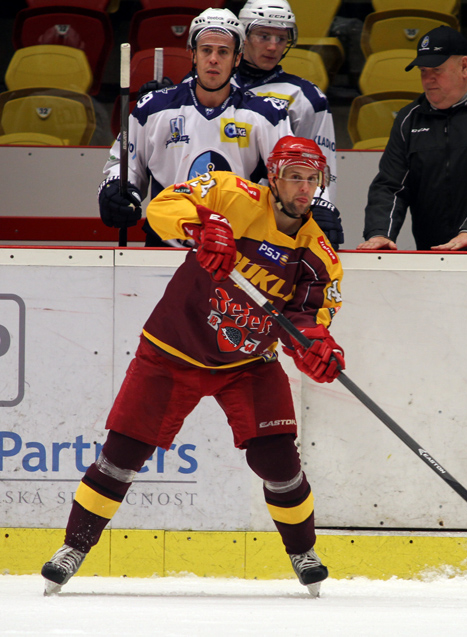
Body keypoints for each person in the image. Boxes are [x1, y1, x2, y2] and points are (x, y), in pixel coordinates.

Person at [41, 136, 345, 598]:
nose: (304, 188)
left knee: (278, 461)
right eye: (294, 177)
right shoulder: (231, 194)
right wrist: (200, 226)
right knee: (123, 453)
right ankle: (73, 548)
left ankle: (303, 552)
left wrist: (313, 345)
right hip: (173, 347)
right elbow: (162, 206)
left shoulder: (319, 255)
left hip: (247, 362)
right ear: (274, 178)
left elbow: (307, 319)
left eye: (312, 179)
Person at [98, 8, 293, 247]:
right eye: (206, 50)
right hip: (165, 245)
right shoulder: (153, 107)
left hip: (239, 250)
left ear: (237, 58)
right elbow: (124, 164)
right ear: (192, 54)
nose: (214, 59)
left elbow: (288, 176)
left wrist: (315, 205)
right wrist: (117, 189)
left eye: (223, 51)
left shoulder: (268, 114)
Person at [356, 26, 467, 253]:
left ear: (464, 66)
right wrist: (379, 233)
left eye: (437, 69)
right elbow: (390, 185)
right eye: (423, 71)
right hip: (436, 255)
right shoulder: (409, 118)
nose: (428, 79)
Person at [235, 0, 344, 249]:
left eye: (281, 38)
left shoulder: (306, 97)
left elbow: (321, 163)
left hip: (276, 224)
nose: (273, 46)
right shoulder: (212, 87)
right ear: (243, 35)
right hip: (216, 211)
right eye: (264, 36)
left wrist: (321, 205)